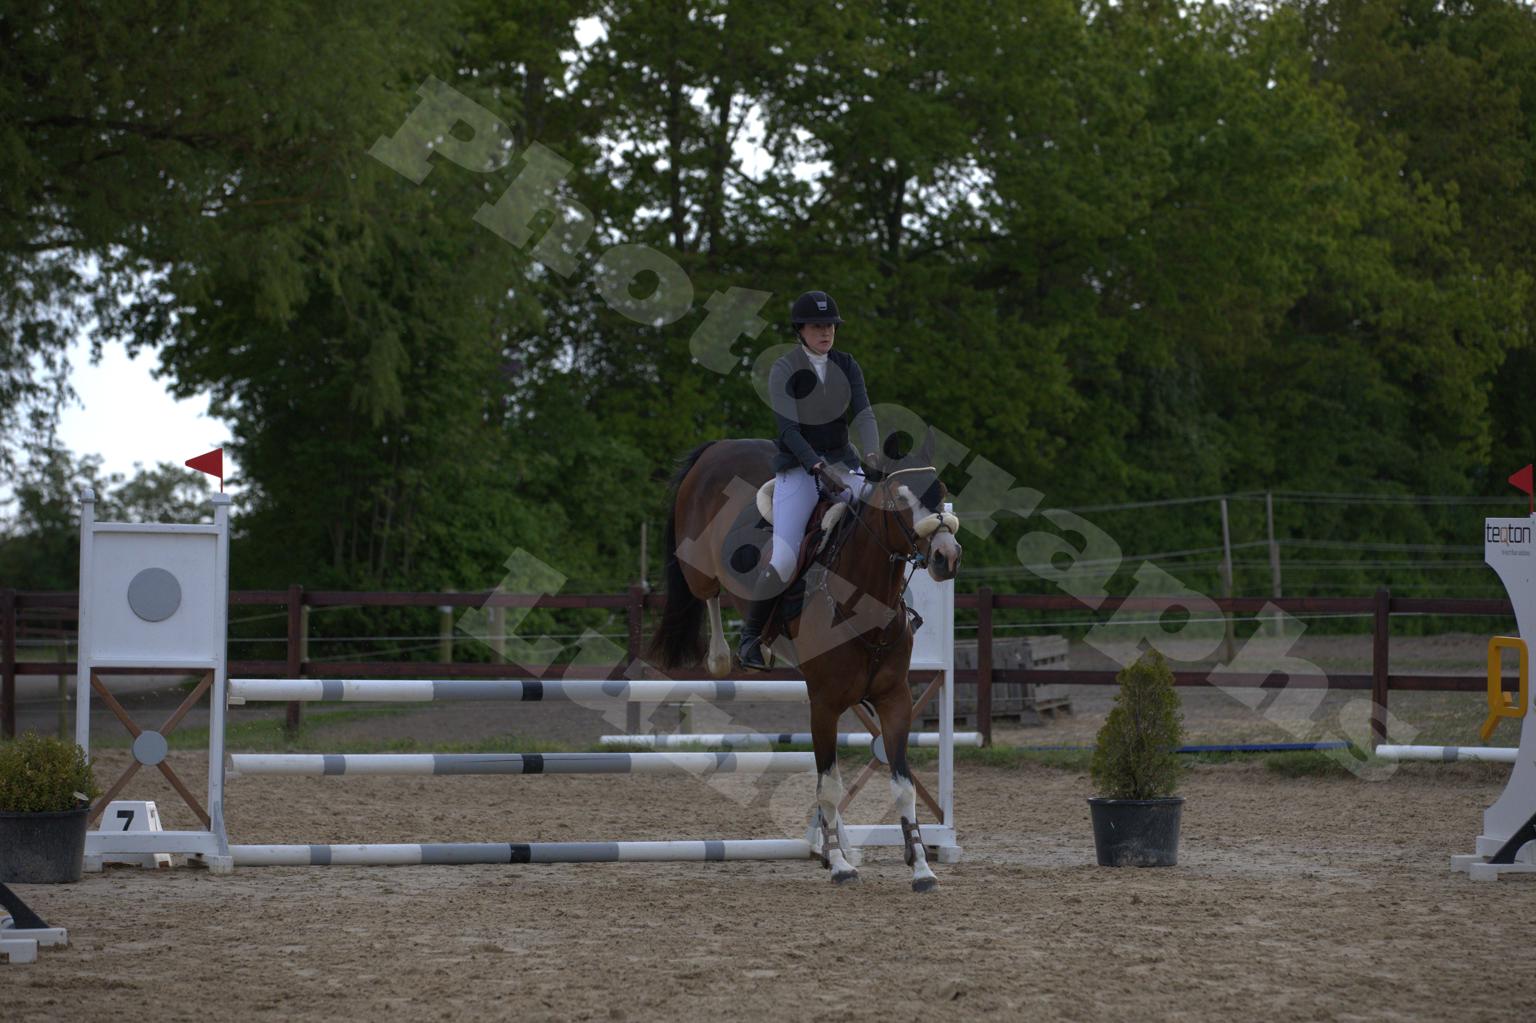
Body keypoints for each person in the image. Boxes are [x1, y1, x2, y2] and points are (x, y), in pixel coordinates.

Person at [737, 289, 880, 670]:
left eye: (830, 326)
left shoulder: (847, 364)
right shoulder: (785, 368)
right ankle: (751, 638)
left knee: (883, 521)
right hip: (800, 471)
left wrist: (871, 454)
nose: (826, 332)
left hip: (843, 464)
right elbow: (788, 430)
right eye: (818, 326)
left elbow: (864, 413)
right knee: (785, 558)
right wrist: (817, 467)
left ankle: (894, 609)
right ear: (800, 329)